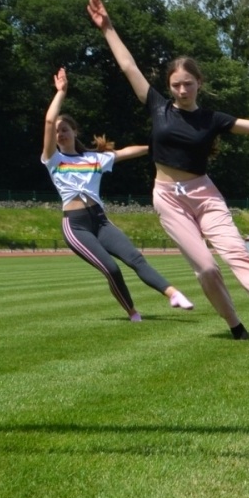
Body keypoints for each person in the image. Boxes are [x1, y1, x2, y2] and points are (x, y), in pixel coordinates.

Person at [88, 0, 249, 340]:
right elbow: (129, 67)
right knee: (205, 268)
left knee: (236, 252)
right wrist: (108, 28)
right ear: (170, 86)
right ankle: (235, 324)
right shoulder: (159, 107)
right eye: (176, 84)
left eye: (188, 83)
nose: (182, 89)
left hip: (204, 194)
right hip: (168, 198)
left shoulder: (212, 119)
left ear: (199, 83)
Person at [44, 68, 194, 321]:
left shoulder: (94, 158)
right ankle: (132, 312)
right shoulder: (53, 159)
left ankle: (173, 294)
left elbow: (126, 152)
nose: (60, 134)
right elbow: (49, 121)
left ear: (74, 132)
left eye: (65, 130)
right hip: (76, 225)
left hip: (100, 220)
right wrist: (61, 93)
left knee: (135, 258)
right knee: (111, 268)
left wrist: (158, 145)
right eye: (58, 132)